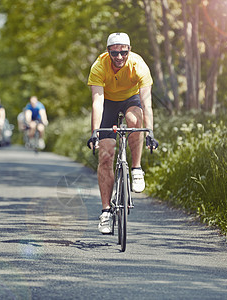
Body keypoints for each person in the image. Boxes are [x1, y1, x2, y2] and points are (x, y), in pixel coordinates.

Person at [87, 32, 159, 234]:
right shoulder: (99, 66)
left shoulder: (139, 66)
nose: (119, 57)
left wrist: (150, 131)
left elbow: (147, 104)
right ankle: (106, 212)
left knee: (135, 121)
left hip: (131, 99)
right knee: (106, 155)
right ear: (108, 51)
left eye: (123, 52)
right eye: (115, 53)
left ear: (129, 50)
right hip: (108, 103)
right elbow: (97, 101)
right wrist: (95, 131)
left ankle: (136, 168)